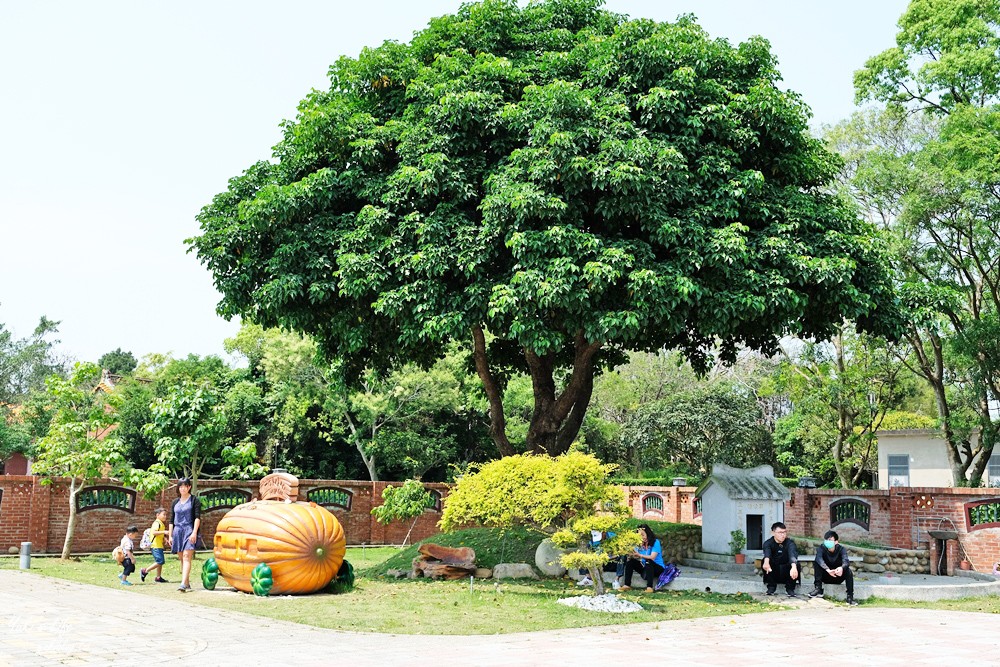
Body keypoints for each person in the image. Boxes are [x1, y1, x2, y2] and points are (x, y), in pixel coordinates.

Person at [809, 530, 858, 606]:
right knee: (817, 562)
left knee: (848, 571)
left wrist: (841, 568)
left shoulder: (841, 549)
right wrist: (827, 570)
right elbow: (819, 559)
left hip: (837, 576)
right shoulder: (821, 548)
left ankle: (850, 597)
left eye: (830, 540)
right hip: (826, 575)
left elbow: (846, 561)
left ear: (836, 542)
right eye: (826, 540)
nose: (828, 542)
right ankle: (818, 589)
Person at [169, 478, 201, 593]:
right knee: (182, 558)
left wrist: (194, 532)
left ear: (189, 487)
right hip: (177, 531)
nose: (183, 488)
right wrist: (170, 535)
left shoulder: (194, 500)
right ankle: (186, 582)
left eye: (185, 486)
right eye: (180, 486)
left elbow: (197, 517)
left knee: (187, 556)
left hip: (189, 529)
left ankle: (182, 584)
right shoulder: (175, 502)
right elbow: (171, 520)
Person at [621, 524, 665, 593]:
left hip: (657, 568)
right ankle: (627, 585)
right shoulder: (639, 544)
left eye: (643, 535)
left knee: (649, 561)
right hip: (646, 568)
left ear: (648, 533)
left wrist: (639, 555)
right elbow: (636, 555)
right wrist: (631, 555)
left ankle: (649, 587)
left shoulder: (655, 542)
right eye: (639, 536)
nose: (642, 537)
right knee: (630, 562)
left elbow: (652, 557)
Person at [761, 521, 799, 597]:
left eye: (784, 532)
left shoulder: (790, 543)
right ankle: (771, 587)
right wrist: (766, 562)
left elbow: (792, 554)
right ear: (773, 533)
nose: (783, 535)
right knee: (765, 561)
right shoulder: (768, 543)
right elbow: (767, 553)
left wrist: (794, 567)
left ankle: (790, 589)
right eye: (780, 532)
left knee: (795, 564)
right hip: (774, 572)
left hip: (787, 572)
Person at [140, 507, 171, 583]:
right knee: (160, 561)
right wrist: (164, 532)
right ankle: (145, 571)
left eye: (166, 515)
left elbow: (159, 533)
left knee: (159, 562)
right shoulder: (157, 523)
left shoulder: (161, 524)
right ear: (157, 515)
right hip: (155, 545)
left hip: (159, 545)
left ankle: (158, 577)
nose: (165, 516)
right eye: (163, 514)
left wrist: (165, 539)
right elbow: (154, 532)